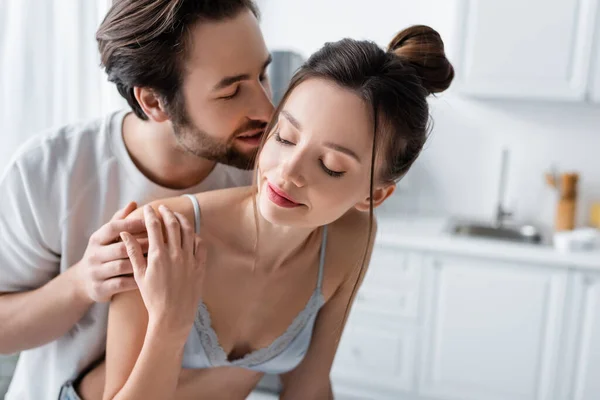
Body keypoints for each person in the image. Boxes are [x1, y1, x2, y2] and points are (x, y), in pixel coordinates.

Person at [79, 25, 455, 400]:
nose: (287, 171)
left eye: (330, 165)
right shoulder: (162, 232)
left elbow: (308, 385)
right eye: (285, 137)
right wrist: (170, 324)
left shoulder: (351, 238)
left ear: (374, 195)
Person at [0, 1, 274, 399]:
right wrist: (81, 283)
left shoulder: (269, 178)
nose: (267, 109)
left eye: (263, 75)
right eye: (231, 92)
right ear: (153, 102)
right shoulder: (47, 170)